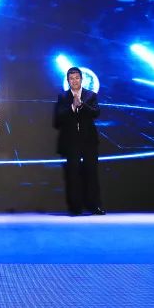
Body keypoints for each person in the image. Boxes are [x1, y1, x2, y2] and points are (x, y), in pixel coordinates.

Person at [54, 67, 105, 216]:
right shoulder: (63, 97)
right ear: (68, 80)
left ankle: (94, 206)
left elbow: (96, 112)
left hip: (89, 140)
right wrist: (72, 106)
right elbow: (58, 119)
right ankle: (75, 207)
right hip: (71, 141)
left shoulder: (91, 95)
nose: (74, 81)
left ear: (82, 79)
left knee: (91, 173)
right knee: (73, 174)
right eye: (71, 78)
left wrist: (81, 104)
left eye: (77, 78)